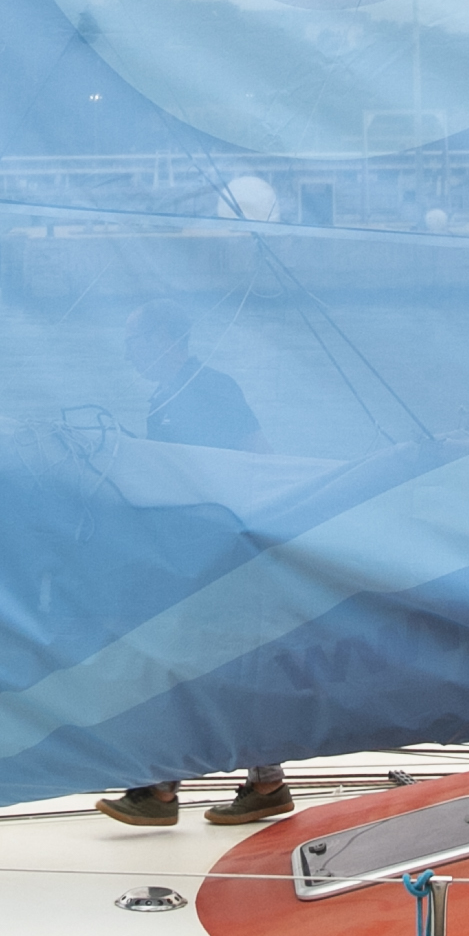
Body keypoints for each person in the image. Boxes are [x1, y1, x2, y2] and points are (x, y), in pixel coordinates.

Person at [96, 301, 289, 828]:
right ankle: (252, 781)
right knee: (199, 660)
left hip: (219, 549)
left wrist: (244, 531)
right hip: (195, 547)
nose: (127, 353)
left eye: (134, 341)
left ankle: (165, 788)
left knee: (185, 658)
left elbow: (257, 455)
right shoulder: (167, 397)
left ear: (164, 339)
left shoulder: (208, 388)